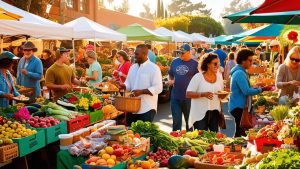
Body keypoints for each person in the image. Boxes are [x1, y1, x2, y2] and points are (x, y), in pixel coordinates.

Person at [229, 49, 272, 137]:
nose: (251, 62)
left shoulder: (241, 71)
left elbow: (244, 88)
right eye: (250, 60)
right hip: (238, 106)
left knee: (240, 131)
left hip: (239, 105)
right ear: (243, 60)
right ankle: (236, 149)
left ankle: (237, 149)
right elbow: (246, 91)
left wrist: (255, 85)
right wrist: (262, 89)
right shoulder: (239, 73)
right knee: (240, 133)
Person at [119, 44, 163, 126]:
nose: (134, 56)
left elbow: (158, 88)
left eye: (136, 54)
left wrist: (142, 91)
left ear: (144, 54)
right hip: (131, 107)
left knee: (143, 136)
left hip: (147, 108)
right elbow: (128, 83)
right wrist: (123, 86)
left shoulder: (154, 68)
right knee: (130, 134)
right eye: (134, 53)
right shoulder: (133, 67)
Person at [186, 53, 225, 131]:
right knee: (202, 139)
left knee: (214, 138)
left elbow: (220, 95)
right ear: (207, 64)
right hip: (199, 113)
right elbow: (188, 94)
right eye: (215, 63)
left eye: (218, 63)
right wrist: (202, 94)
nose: (217, 66)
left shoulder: (219, 77)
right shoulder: (198, 77)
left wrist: (224, 94)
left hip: (215, 111)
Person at [168, 44, 199, 131]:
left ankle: (189, 141)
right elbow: (170, 74)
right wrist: (170, 80)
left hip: (189, 98)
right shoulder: (174, 61)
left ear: (189, 52)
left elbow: (198, 79)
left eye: (183, 53)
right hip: (175, 96)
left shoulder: (195, 64)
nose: (180, 55)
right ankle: (176, 140)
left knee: (189, 122)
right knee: (176, 121)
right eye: (179, 53)